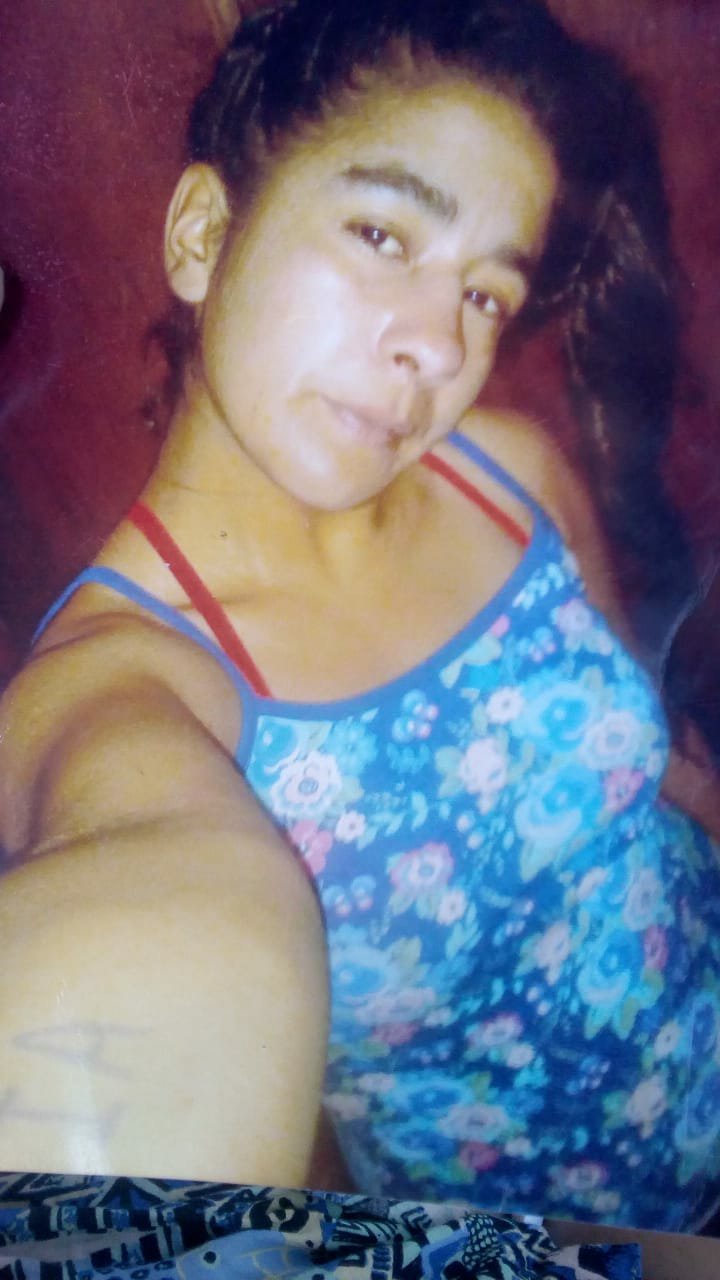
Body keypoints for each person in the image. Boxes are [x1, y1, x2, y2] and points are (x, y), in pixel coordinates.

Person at [1, 0, 719, 1234]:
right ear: (203, 233)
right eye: (383, 233)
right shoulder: (131, 690)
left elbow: (656, 751)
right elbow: (134, 940)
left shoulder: (503, 471)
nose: (437, 344)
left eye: (486, 293)